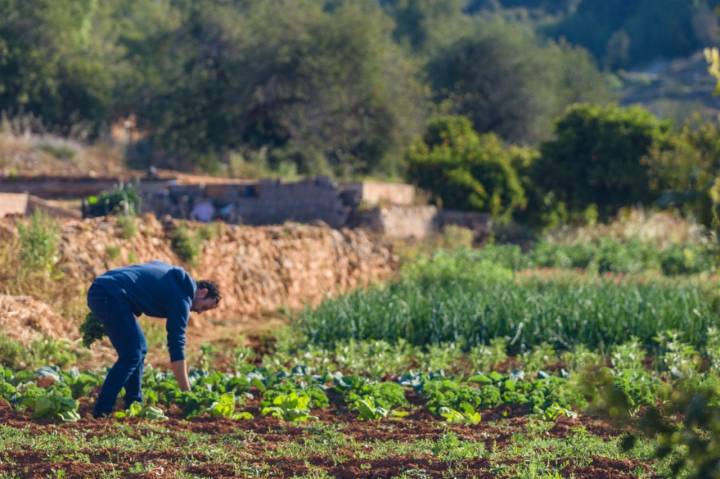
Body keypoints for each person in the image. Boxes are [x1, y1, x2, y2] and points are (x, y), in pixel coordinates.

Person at [87, 261, 221, 417]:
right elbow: (176, 346)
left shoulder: (173, 275)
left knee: (139, 348)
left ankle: (133, 404)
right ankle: (102, 411)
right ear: (203, 292)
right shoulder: (182, 298)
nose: (199, 312)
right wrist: (186, 392)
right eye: (204, 307)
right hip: (110, 295)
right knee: (133, 353)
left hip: (105, 290)